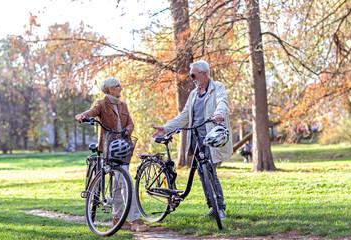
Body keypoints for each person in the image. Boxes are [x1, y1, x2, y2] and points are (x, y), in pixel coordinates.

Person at [152, 60, 233, 220]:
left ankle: (220, 208)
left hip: (211, 137)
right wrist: (166, 128)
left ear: (204, 74)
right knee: (202, 174)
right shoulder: (194, 94)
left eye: (193, 75)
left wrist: (219, 114)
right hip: (195, 139)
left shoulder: (217, 87)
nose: (192, 79)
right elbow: (184, 116)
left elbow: (222, 101)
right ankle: (212, 208)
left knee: (210, 171)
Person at [75, 77, 149, 232]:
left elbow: (131, 123)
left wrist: (125, 132)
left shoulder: (123, 105)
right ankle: (135, 220)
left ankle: (117, 219)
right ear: (110, 89)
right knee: (125, 181)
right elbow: (92, 112)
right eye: (118, 86)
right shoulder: (101, 104)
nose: (121, 88)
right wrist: (83, 115)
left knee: (118, 185)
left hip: (123, 147)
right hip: (109, 148)